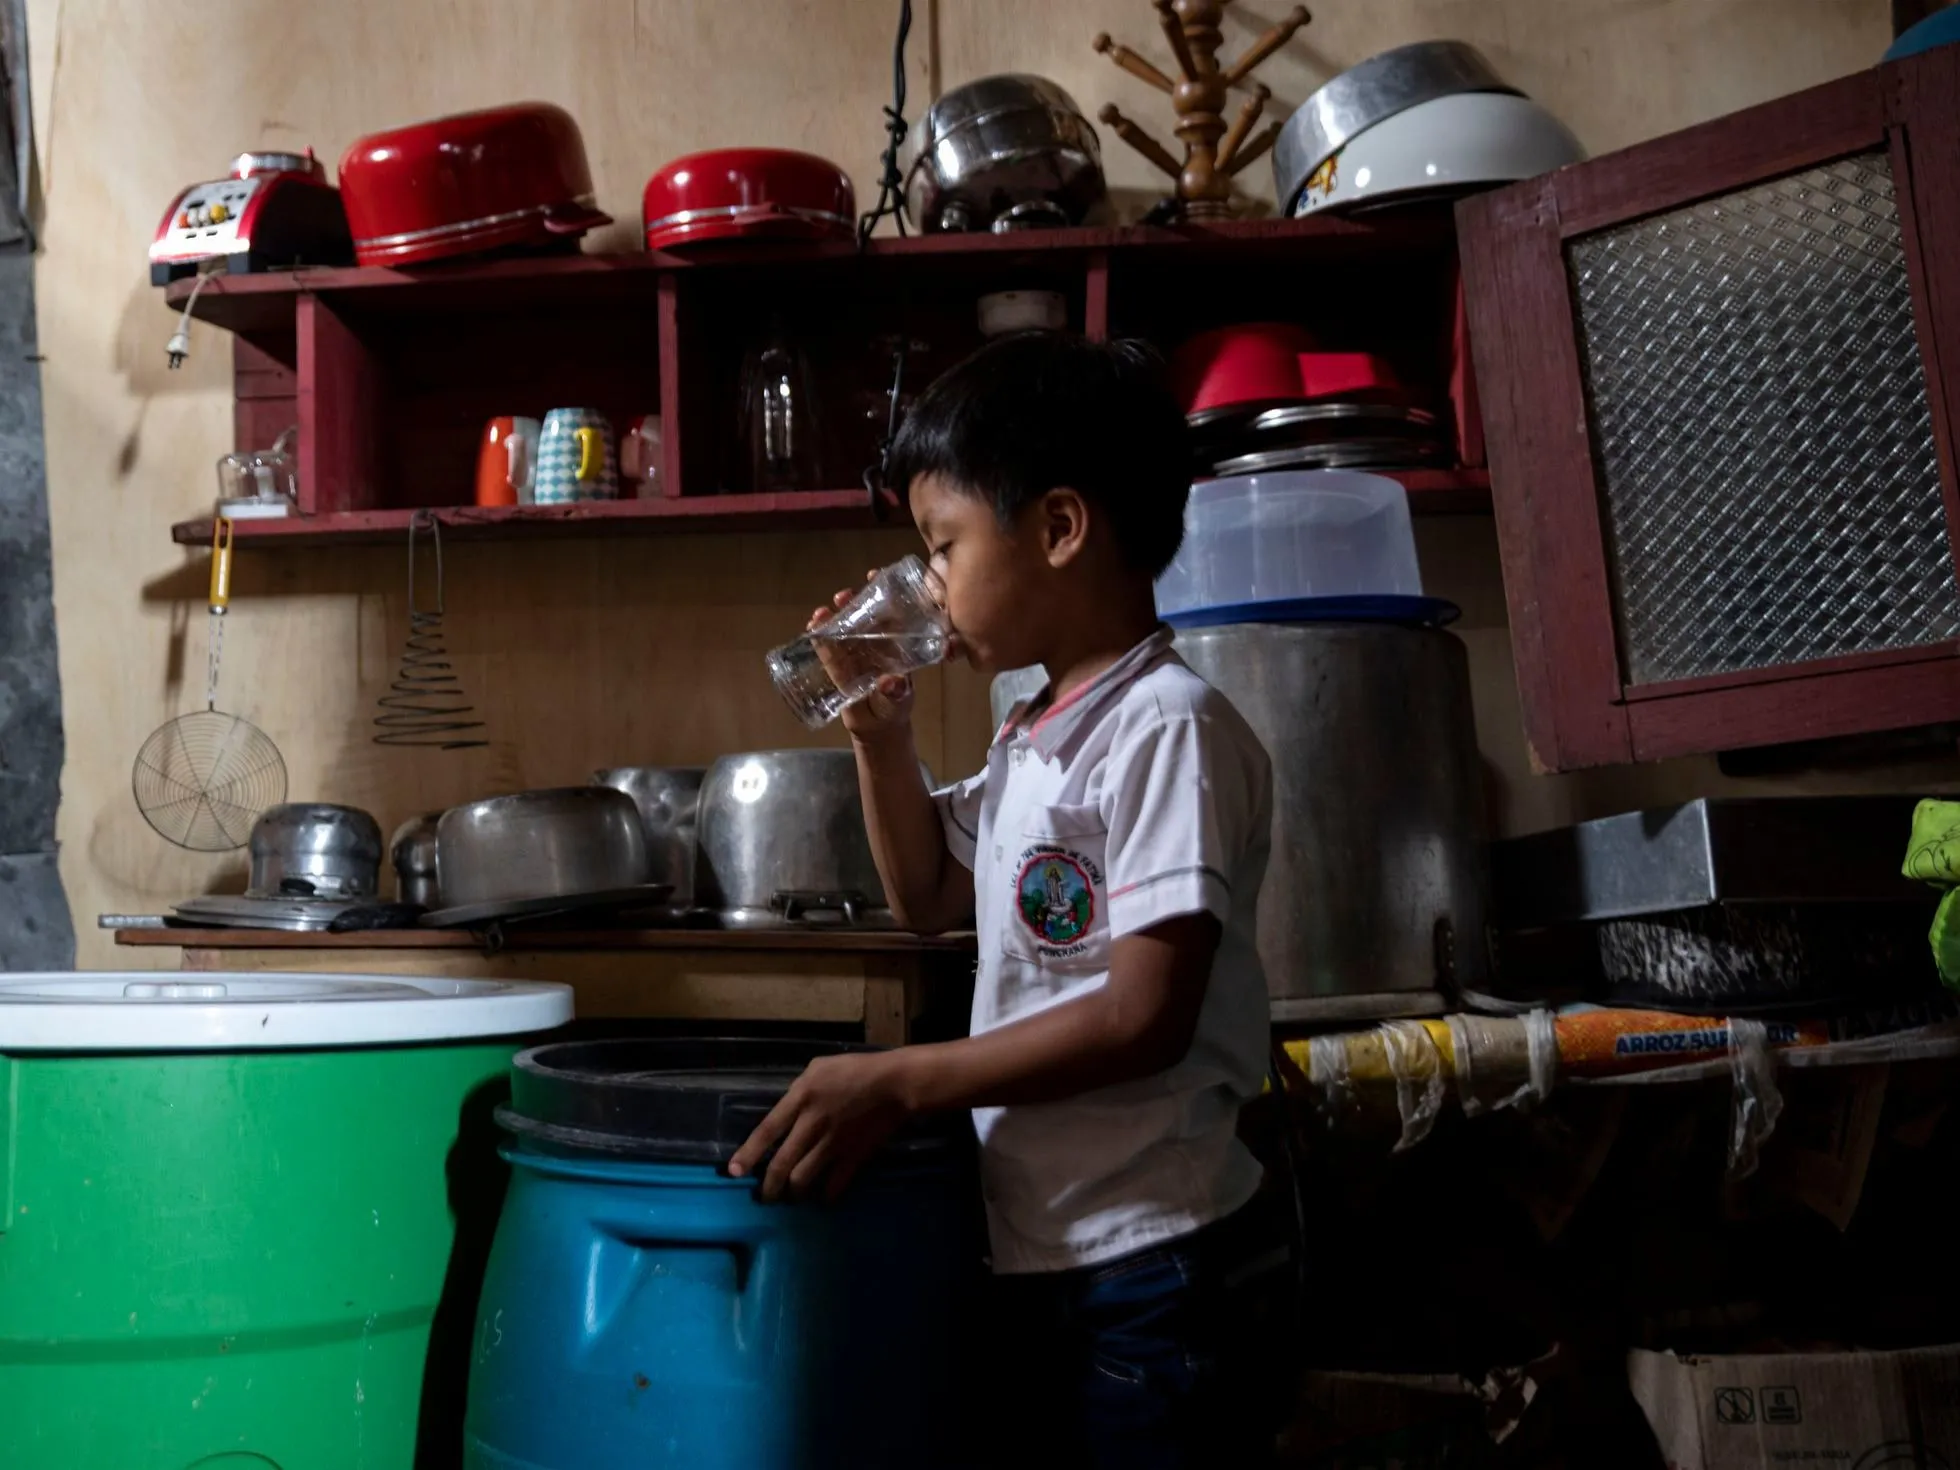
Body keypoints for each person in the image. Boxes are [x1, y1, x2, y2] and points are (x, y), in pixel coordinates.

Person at [728, 332, 1295, 1467]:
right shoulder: (1033, 726)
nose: (927, 585)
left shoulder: (1161, 727)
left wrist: (899, 1081)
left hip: (1156, 1257)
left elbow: (1145, 1018)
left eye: (942, 545)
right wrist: (877, 733)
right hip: (1054, 1246)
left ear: (1057, 528)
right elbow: (931, 898)